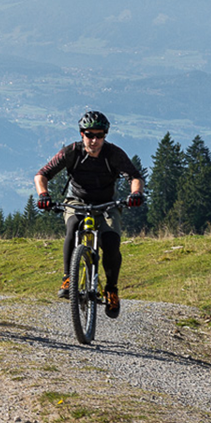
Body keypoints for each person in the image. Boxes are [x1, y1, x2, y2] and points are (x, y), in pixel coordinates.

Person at [34, 110, 145, 318]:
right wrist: (43, 195)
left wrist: (136, 193)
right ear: (81, 134)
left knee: (111, 242)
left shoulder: (113, 154)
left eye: (99, 135)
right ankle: (68, 278)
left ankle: (111, 289)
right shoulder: (72, 152)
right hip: (76, 201)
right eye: (89, 134)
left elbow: (134, 176)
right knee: (73, 225)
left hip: (107, 204)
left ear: (105, 135)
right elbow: (42, 175)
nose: (94, 140)